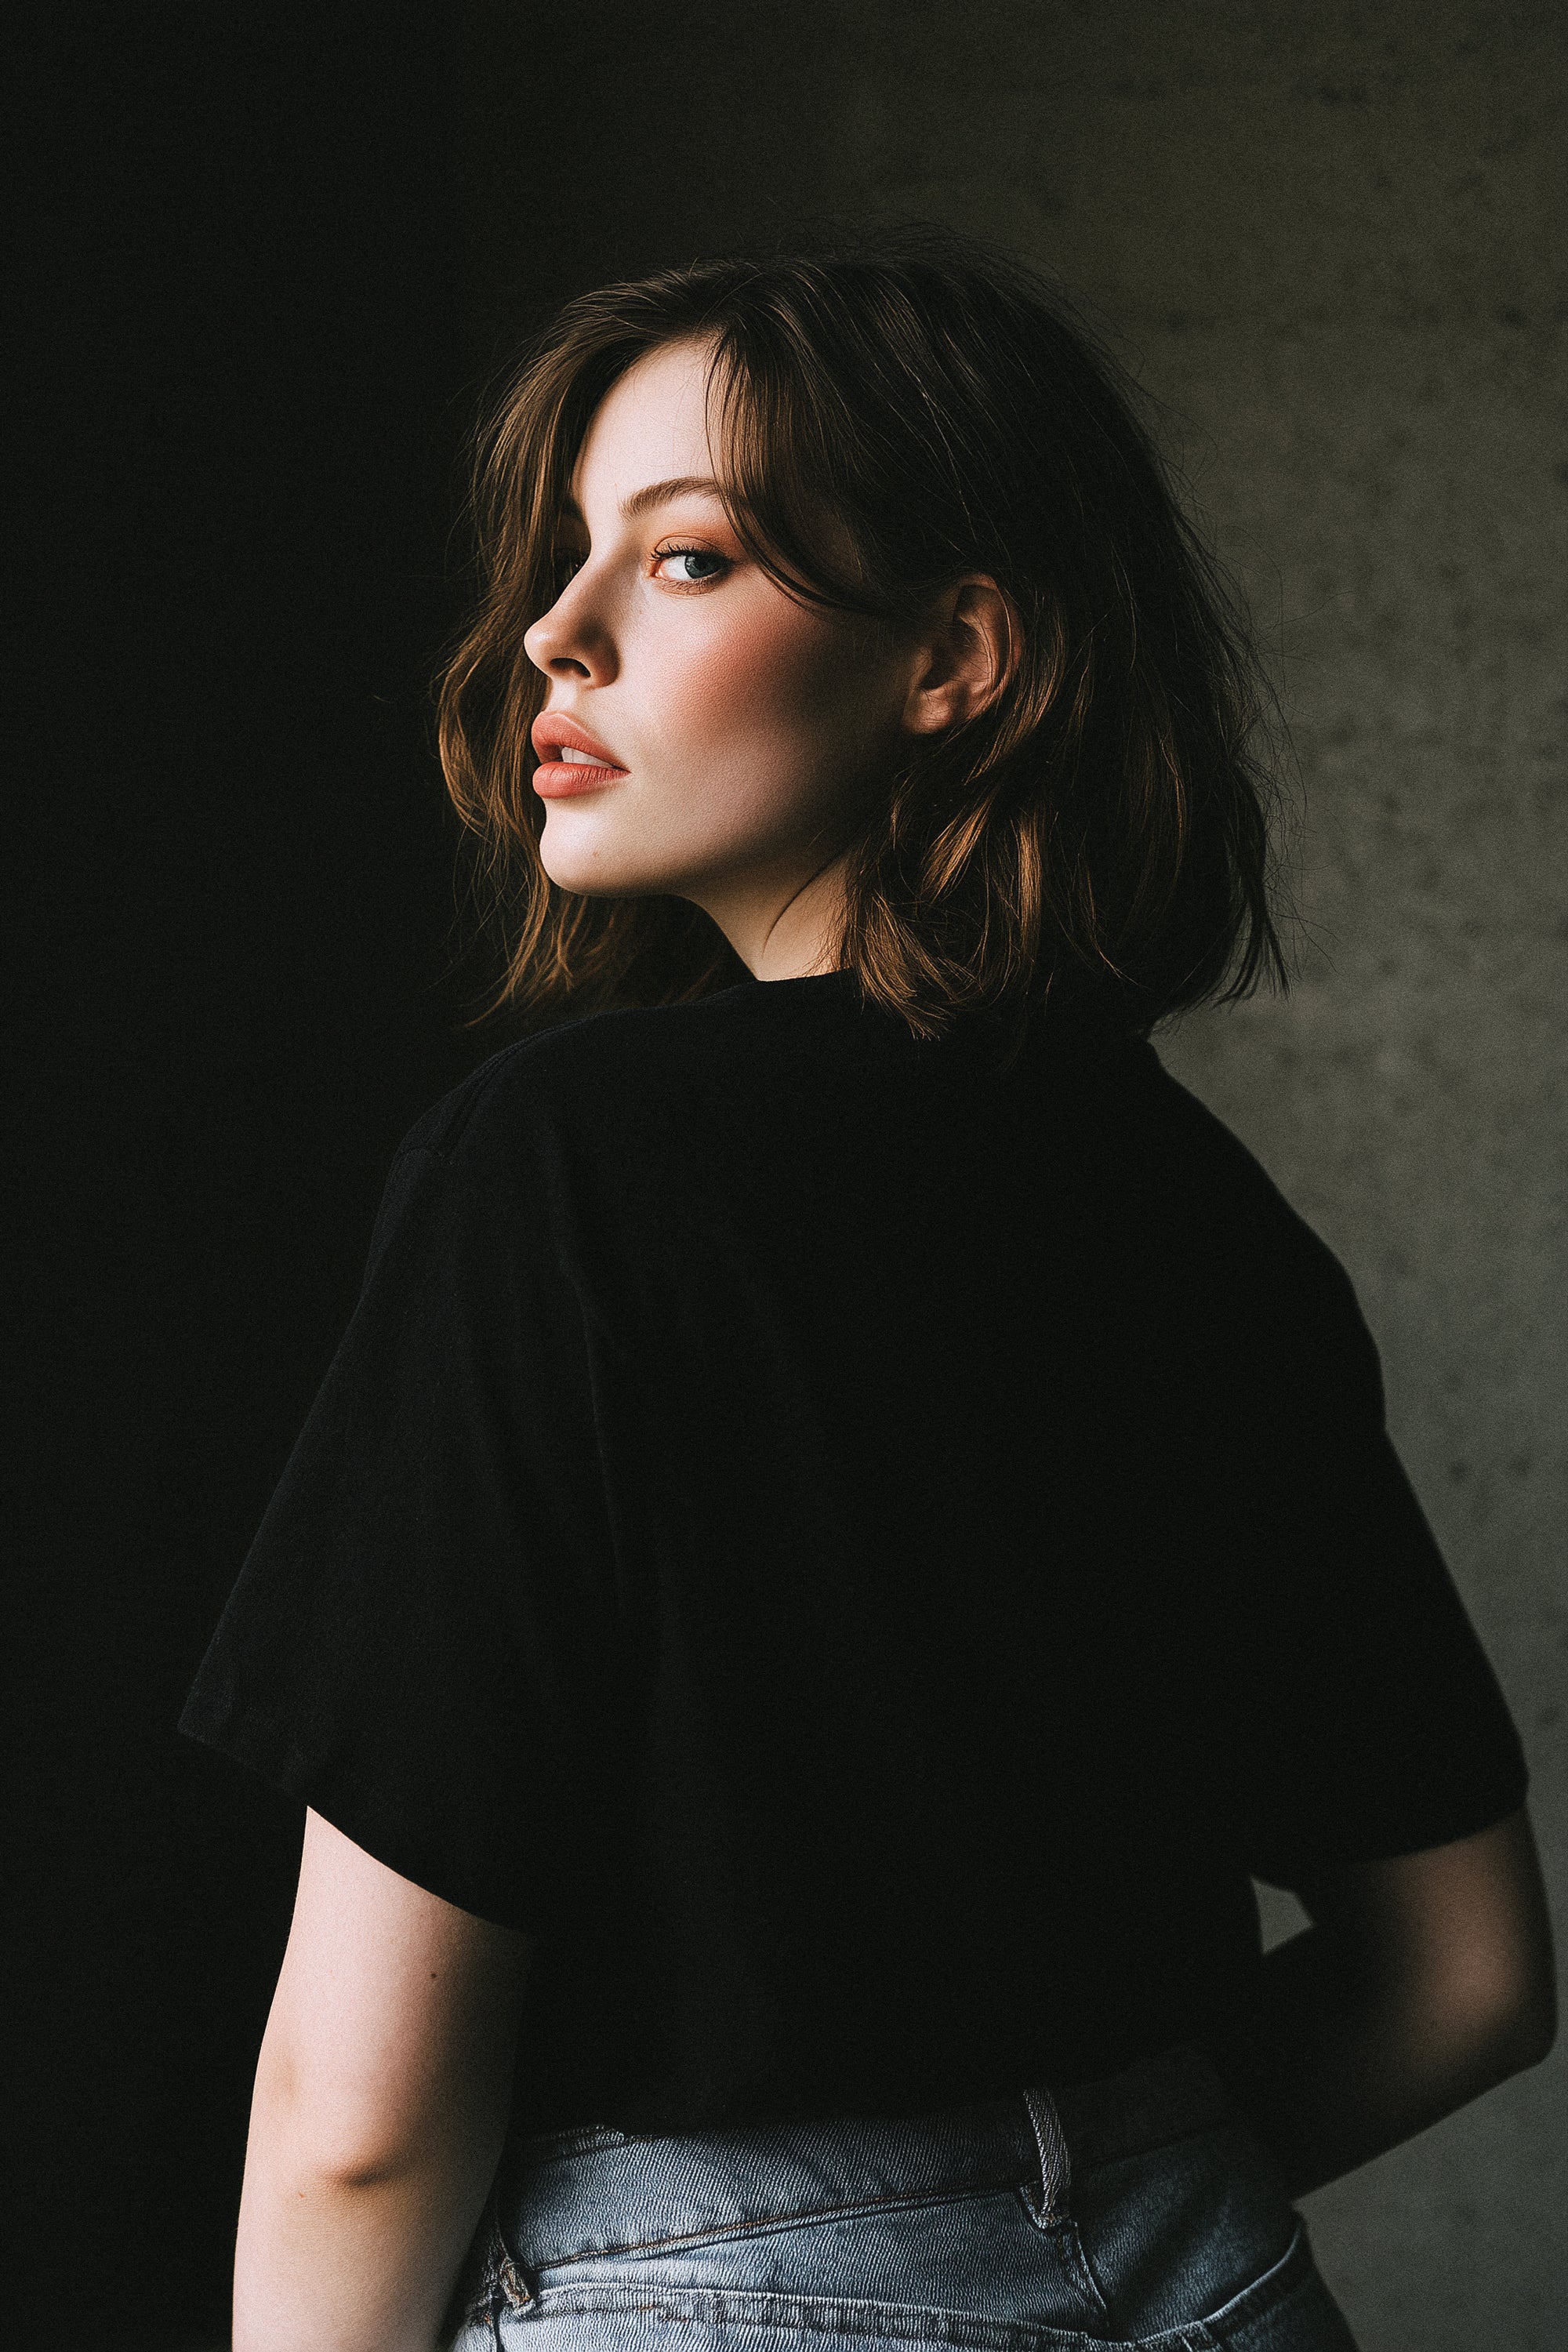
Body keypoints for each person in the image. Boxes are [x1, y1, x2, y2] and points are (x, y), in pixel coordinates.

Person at [180, 235, 1555, 2352]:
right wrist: (1074, 2213)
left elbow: (358, 2126)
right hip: (1215, 2280)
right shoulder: (1194, 1206)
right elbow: (1464, 1978)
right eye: (570, 552)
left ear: (956, 656)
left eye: (688, 559)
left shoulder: (561, 1171)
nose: (553, 629)